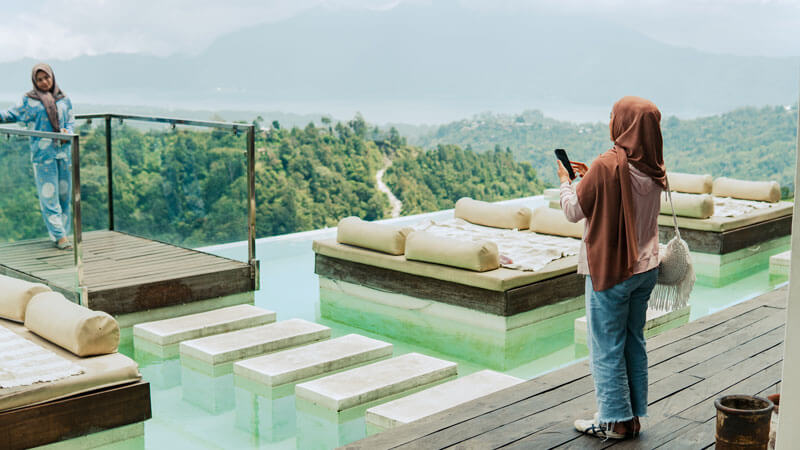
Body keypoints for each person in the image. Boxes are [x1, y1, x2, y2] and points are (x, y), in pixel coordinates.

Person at [558, 96, 666, 439]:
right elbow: (627, 197)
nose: (610, 122)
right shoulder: (654, 165)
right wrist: (594, 179)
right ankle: (631, 417)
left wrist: (566, 180)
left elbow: (573, 210)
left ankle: (614, 421)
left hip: (613, 271)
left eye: (613, 116)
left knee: (606, 345)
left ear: (624, 125)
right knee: (633, 341)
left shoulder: (608, 164)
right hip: (646, 269)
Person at [0, 63, 75, 249]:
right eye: (39, 79)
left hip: (63, 154)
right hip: (43, 156)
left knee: (65, 196)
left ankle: (64, 232)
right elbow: (11, 114)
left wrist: (68, 131)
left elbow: (71, 121)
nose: (43, 82)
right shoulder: (29, 100)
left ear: (52, 77)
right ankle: (59, 236)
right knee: (49, 196)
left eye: (46, 77)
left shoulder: (64, 99)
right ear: (34, 81)